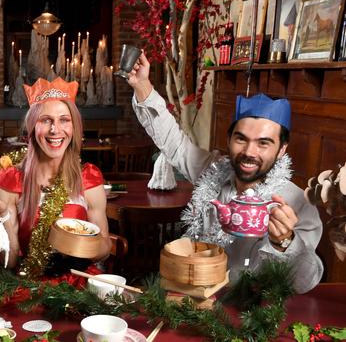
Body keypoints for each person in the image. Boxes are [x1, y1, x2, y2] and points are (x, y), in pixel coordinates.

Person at [124, 53, 323, 293]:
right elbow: (175, 143)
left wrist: (285, 242)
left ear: (282, 150)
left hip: (253, 314)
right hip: (195, 298)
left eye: (263, 143)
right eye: (241, 139)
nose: (249, 152)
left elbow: (305, 282)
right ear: (228, 139)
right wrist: (143, 85)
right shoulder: (213, 170)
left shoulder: (298, 203)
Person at [0, 77, 111, 278]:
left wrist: (84, 246)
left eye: (64, 120)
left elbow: (105, 247)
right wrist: (1, 214)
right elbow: (9, 262)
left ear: (73, 128)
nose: (55, 129)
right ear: (32, 127)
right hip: (30, 285)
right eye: (46, 120)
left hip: (79, 282)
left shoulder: (88, 179)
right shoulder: (13, 180)